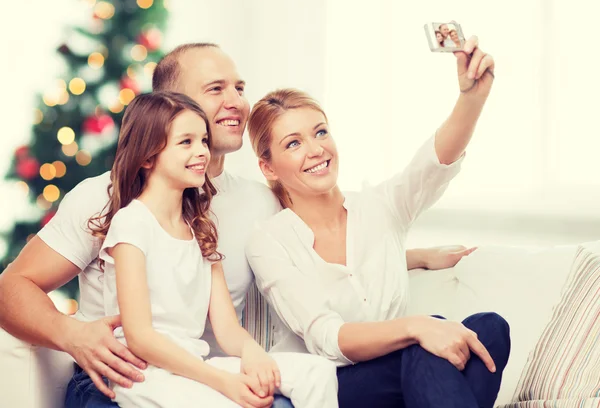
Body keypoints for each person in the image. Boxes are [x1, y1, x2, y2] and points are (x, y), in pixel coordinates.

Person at [0, 43, 476, 408]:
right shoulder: (107, 199)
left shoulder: (260, 202)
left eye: (239, 87)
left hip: (213, 377)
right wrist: (70, 334)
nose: (236, 102)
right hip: (127, 382)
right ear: (171, 104)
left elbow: (324, 244)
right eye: (215, 90)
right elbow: (12, 287)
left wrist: (411, 257)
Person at [245, 37, 510, 408]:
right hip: (333, 386)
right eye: (293, 143)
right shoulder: (269, 241)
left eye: (320, 131)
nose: (316, 149)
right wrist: (417, 326)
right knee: (427, 339)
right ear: (268, 167)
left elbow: (432, 167)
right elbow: (328, 337)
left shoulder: (379, 208)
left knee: (489, 327)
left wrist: (472, 98)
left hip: (407, 375)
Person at [91, 90, 338, 408]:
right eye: (186, 142)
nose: (202, 152)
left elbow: (227, 328)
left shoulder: (199, 228)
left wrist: (252, 354)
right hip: (146, 376)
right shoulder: (131, 224)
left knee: (317, 372)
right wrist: (224, 383)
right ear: (148, 156)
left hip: (195, 366)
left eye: (204, 141)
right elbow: (140, 337)